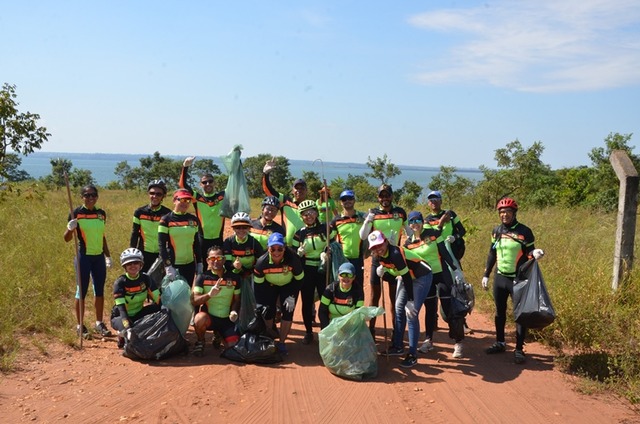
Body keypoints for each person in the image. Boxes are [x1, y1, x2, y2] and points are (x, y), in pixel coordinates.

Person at [482, 197, 545, 364]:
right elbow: (491, 253)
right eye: (501, 212)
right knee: (499, 312)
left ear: (514, 213)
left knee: (520, 314)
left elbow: (530, 252)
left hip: (518, 279)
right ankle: (500, 342)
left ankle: (518, 349)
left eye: (507, 212)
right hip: (500, 277)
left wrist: (536, 253)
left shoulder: (525, 231)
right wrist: (486, 274)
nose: (504, 215)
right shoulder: (496, 231)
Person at [368, 230, 432, 368]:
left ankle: (413, 354)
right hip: (406, 278)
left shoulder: (395, 253)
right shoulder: (378, 256)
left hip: (421, 276)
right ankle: (398, 346)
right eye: (374, 247)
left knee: (411, 314)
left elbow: (407, 277)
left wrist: (410, 301)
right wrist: (383, 274)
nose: (378, 249)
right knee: (398, 308)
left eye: (380, 244)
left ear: (385, 242)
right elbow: (392, 277)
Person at [405, 211, 463, 358]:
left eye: (418, 220)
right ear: (409, 225)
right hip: (425, 278)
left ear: (422, 221)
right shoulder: (408, 243)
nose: (415, 224)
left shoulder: (433, 233)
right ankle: (428, 340)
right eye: (412, 221)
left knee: (448, 306)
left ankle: (458, 342)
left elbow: (444, 252)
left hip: (441, 274)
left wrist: (455, 270)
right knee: (429, 309)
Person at [359, 184, 409, 336]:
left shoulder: (400, 213)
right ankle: (371, 331)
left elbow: (410, 233)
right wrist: (368, 220)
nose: (384, 199)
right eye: (382, 196)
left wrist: (406, 245)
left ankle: (396, 332)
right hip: (377, 259)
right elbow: (362, 236)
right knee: (374, 297)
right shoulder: (373, 213)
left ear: (392, 196)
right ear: (378, 198)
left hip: (395, 260)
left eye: (387, 195)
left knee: (395, 300)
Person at [63, 184, 113, 339]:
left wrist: (107, 255)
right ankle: (80, 325)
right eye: (87, 195)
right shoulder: (76, 213)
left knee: (99, 290)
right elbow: (66, 239)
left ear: (97, 196)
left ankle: (99, 323)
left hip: (98, 257)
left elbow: (102, 236)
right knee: (82, 291)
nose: (90, 198)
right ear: (82, 197)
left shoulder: (101, 214)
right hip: (83, 257)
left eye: (93, 195)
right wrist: (70, 228)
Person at [424, 189, 471, 335]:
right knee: (436, 289)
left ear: (441, 201)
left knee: (456, 287)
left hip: (451, 256)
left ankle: (461, 321)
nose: (433, 202)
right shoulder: (426, 220)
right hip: (434, 258)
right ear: (428, 203)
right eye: (431, 200)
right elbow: (430, 236)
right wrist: (440, 223)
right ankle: (434, 320)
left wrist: (455, 237)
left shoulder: (451, 214)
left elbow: (462, 230)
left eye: (436, 199)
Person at [253, 232, 305, 355]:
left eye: (280, 249)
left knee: (288, 312)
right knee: (267, 312)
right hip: (269, 286)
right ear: (268, 248)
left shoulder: (293, 259)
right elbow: (258, 286)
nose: (276, 252)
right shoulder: (261, 263)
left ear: (285, 248)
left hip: (289, 286)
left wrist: (292, 296)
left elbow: (300, 279)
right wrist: (261, 304)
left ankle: (282, 343)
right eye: (273, 249)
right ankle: (270, 337)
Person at [191, 246, 241, 356]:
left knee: (234, 348)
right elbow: (194, 300)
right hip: (210, 319)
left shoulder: (234, 278)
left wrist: (234, 311)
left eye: (218, 258)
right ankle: (200, 341)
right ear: (207, 261)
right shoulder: (202, 277)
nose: (215, 261)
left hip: (227, 320)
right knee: (199, 319)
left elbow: (237, 300)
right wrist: (209, 294)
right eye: (212, 259)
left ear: (224, 260)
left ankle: (219, 334)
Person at [292, 200, 330, 345]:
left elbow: (333, 244)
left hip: (323, 269)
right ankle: (308, 332)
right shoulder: (299, 234)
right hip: (307, 270)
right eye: (304, 214)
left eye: (311, 212)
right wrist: (298, 253)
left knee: (325, 300)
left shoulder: (325, 229)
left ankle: (326, 330)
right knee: (307, 302)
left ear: (316, 212)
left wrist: (327, 252)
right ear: (301, 217)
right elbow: (293, 254)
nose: (308, 216)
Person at [110, 248, 161, 348]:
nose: (133, 266)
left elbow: (158, 299)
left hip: (138, 313)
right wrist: (128, 328)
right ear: (124, 266)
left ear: (141, 264)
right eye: (129, 264)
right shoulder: (120, 283)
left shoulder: (146, 278)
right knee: (130, 333)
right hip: (121, 316)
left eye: (136, 263)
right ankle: (121, 335)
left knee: (160, 309)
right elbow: (122, 309)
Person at [179, 156, 226, 263]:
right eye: (204, 182)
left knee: (220, 266)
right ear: (200, 185)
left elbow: (235, 184)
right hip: (202, 239)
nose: (208, 184)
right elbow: (183, 186)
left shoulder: (222, 196)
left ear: (214, 183)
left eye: (210, 181)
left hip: (218, 239)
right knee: (202, 268)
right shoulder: (197, 198)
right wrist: (185, 167)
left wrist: (236, 163)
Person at [158, 189, 202, 286]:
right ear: (174, 200)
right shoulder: (165, 220)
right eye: (181, 200)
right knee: (175, 296)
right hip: (174, 265)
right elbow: (161, 245)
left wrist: (199, 262)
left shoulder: (193, 219)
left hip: (190, 265)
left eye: (188, 200)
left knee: (187, 293)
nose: (185, 203)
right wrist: (168, 266)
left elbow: (196, 244)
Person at [262, 157, 308, 246]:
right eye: (296, 188)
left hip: (305, 246)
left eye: (302, 188)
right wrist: (266, 174)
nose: (299, 190)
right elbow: (269, 191)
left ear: (307, 191)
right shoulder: (285, 201)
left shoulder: (310, 206)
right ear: (292, 191)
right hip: (286, 246)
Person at [130, 179, 172, 273]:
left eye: (159, 194)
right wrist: (132, 253)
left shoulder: (168, 214)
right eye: (152, 193)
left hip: (161, 254)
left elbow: (170, 237)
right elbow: (135, 233)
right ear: (148, 194)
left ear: (163, 196)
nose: (155, 196)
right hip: (144, 253)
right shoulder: (139, 212)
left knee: (160, 284)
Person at [329, 189, 366, 288]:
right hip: (343, 259)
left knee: (358, 286)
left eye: (350, 198)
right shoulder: (336, 220)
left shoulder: (362, 217)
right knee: (343, 286)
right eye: (344, 199)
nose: (347, 201)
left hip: (358, 259)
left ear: (354, 200)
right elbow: (330, 237)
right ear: (341, 203)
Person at [318, 262, 365, 329]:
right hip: (331, 326)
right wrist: (327, 329)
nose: (346, 278)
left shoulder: (358, 292)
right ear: (338, 276)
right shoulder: (329, 290)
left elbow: (358, 314)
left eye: (349, 275)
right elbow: (322, 312)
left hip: (349, 327)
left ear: (354, 277)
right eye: (343, 274)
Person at [223, 212, 264, 282]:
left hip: (250, 274)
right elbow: (227, 264)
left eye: (245, 227)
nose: (241, 230)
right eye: (237, 227)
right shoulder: (228, 242)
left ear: (249, 228)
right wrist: (234, 265)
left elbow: (260, 262)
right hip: (233, 274)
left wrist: (248, 272)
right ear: (233, 228)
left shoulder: (254, 242)